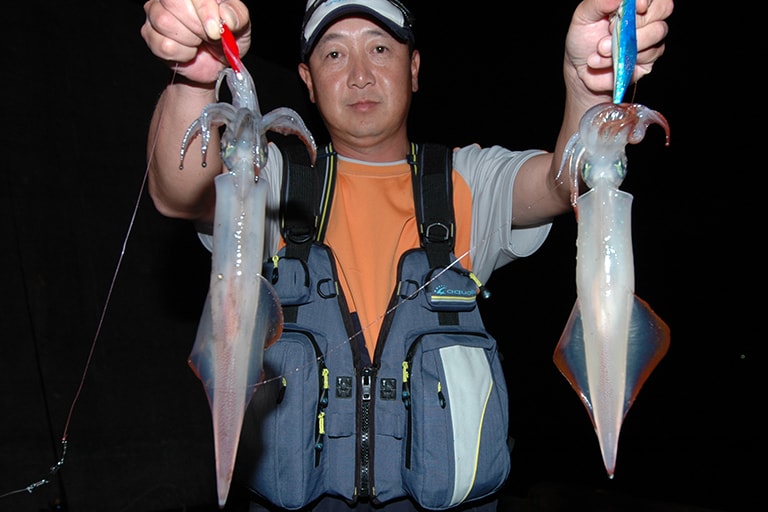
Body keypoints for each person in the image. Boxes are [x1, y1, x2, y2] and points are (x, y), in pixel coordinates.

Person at [141, 1, 673, 511]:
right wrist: (195, 76)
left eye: (379, 49)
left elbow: (566, 181)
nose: (358, 76)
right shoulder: (270, 182)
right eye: (333, 54)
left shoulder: (466, 182)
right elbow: (178, 188)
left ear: (414, 68)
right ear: (305, 80)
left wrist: (588, 88)